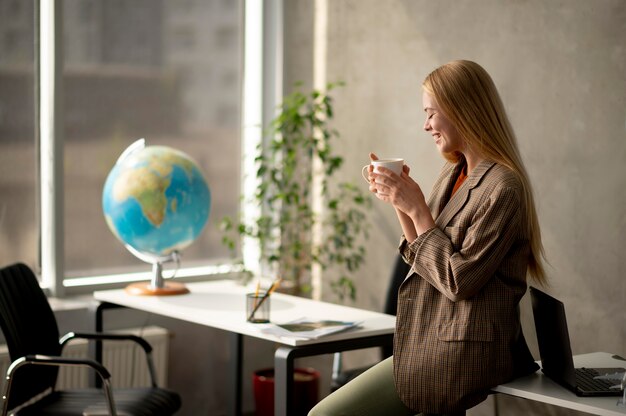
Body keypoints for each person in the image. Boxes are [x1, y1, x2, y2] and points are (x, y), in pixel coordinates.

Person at [308, 60, 547, 416]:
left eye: (431, 113)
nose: (426, 125)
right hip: (429, 338)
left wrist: (417, 208)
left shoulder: (503, 188)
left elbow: (457, 280)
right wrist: (399, 202)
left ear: (464, 110)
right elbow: (422, 258)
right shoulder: (453, 172)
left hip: (465, 351)